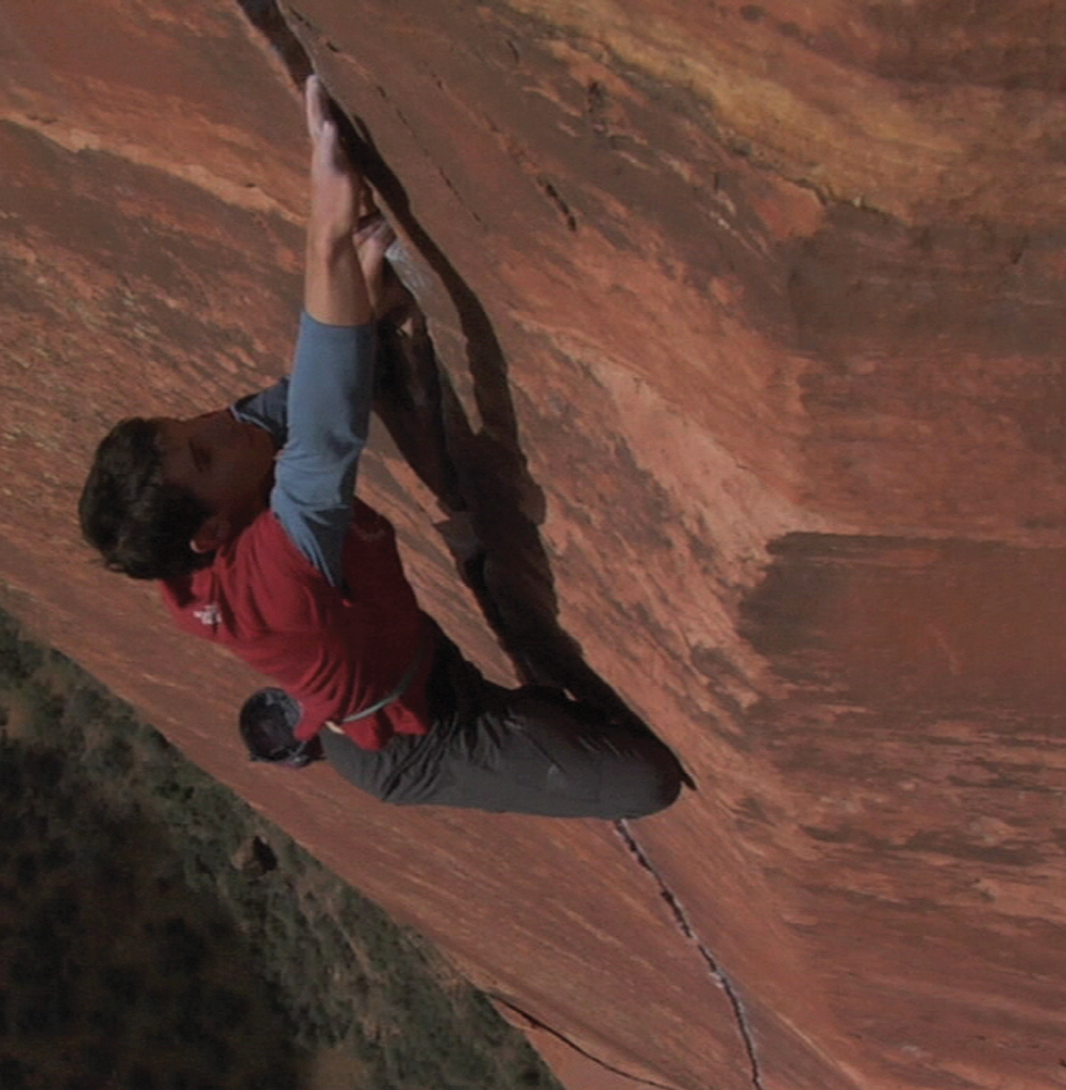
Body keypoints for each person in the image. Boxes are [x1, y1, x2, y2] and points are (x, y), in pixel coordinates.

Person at [78, 77, 684, 819]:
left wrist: (358, 307)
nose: (218, 426)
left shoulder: (198, 522)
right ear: (213, 533)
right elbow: (324, 433)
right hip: (416, 739)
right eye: (201, 455)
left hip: (380, 650)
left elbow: (308, 393)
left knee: (358, 372)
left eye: (188, 429)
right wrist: (327, 238)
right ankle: (323, 712)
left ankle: (306, 698)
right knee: (644, 781)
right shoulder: (271, 578)